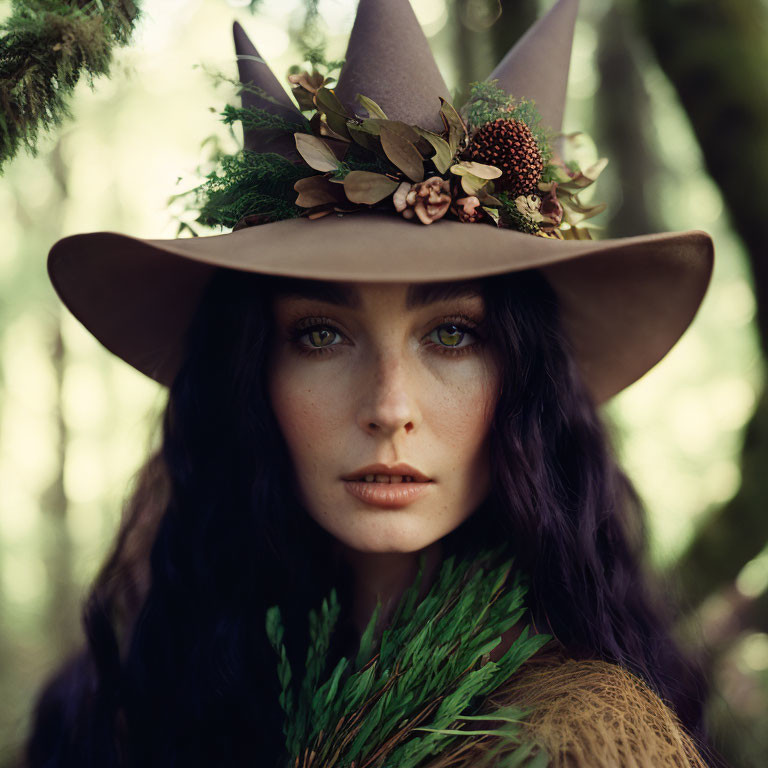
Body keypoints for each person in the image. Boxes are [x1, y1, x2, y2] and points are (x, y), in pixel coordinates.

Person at [20, 0, 722, 765]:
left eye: (453, 334)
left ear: (527, 383)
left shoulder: (591, 736)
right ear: (251, 377)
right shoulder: (119, 707)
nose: (390, 408)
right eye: (321, 335)